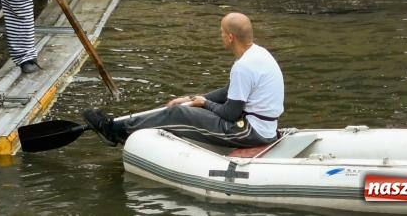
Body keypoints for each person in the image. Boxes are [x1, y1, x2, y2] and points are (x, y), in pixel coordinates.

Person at [84, 12, 285, 148]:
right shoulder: (259, 54)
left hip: (250, 132)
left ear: (230, 37)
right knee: (185, 107)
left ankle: (115, 131)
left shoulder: (244, 67)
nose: (220, 37)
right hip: (261, 128)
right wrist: (191, 98)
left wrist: (203, 104)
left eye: (221, 33)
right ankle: (120, 127)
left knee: (179, 113)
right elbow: (227, 93)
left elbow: (230, 114)